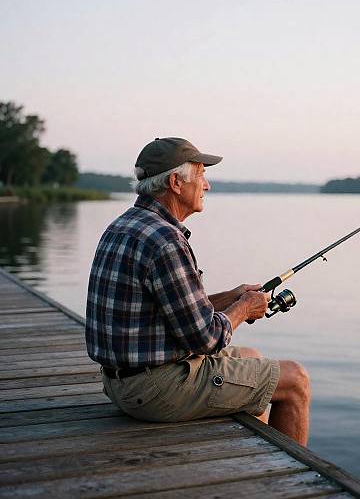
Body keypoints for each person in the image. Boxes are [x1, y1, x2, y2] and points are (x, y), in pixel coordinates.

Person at [85, 137, 310, 445]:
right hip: (154, 391)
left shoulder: (124, 225)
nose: (207, 186)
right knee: (295, 380)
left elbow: (174, 309)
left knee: (253, 358)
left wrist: (233, 296)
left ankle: (255, 462)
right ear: (177, 182)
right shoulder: (165, 240)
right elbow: (205, 339)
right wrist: (244, 308)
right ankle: (293, 486)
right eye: (202, 175)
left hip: (120, 383)